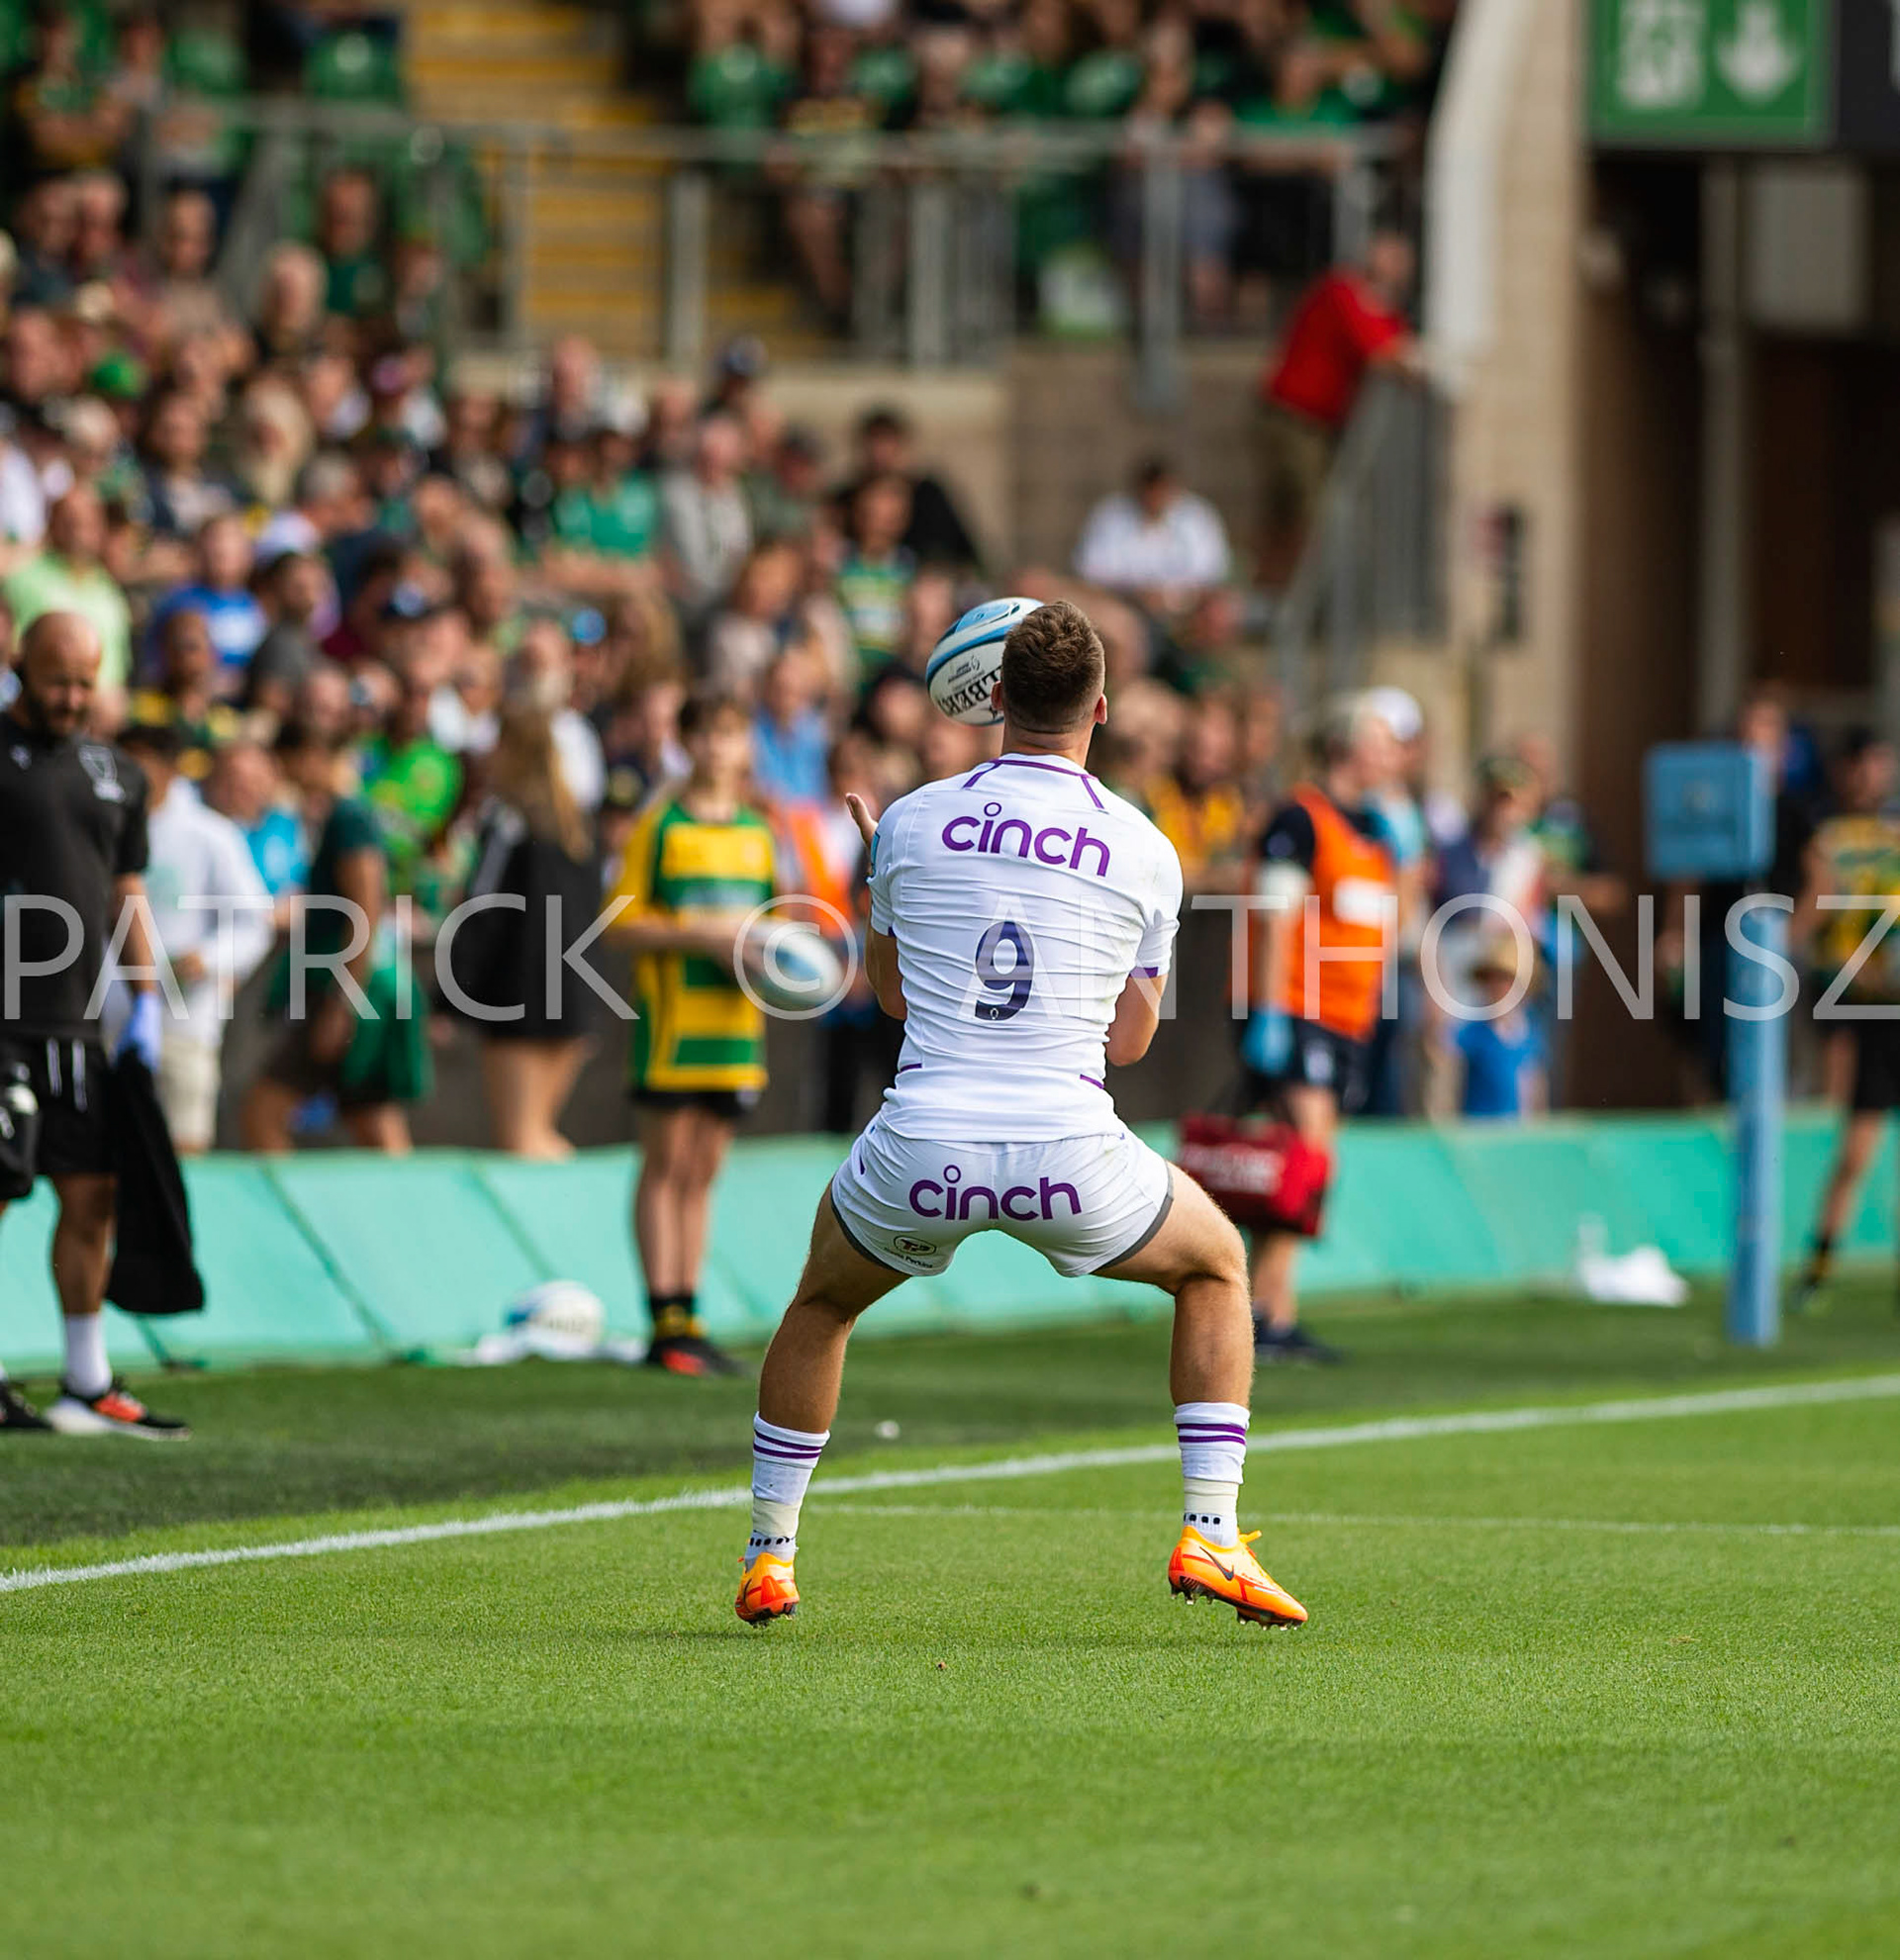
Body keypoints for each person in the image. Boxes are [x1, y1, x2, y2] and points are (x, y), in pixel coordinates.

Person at [730, 598, 1306, 1633]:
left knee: (822, 1304)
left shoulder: (906, 820)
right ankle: (1211, 1531)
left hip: (924, 1142)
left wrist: (882, 880)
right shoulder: (1144, 846)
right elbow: (1128, 1045)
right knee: (1217, 1264)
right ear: (1101, 707)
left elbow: (896, 1002)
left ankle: (772, 1553)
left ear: (991, 693)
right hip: (1069, 1151)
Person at [0, 612, 187, 1437]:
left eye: (85, 681)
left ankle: (86, 1377)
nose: (71, 697)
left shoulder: (119, 774)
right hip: (0, 1022)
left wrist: (146, 999)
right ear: (19, 666)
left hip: (79, 1025)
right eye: (56, 680)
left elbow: (127, 892)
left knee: (93, 1196)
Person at [609, 692, 778, 1376]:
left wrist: (780, 955)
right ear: (685, 744)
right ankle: (663, 1317)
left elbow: (776, 917)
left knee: (704, 1169)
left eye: (730, 733)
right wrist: (700, 935)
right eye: (704, 734)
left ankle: (692, 1312)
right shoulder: (660, 827)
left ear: (746, 747)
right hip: (673, 1022)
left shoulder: (760, 832)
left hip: (737, 1025)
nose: (716, 748)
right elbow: (618, 921)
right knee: (665, 1161)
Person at [1241, 694, 1401, 1363]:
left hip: (1346, 1017)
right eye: (1383, 742)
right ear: (1347, 747)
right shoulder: (1299, 819)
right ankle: (1256, 1310)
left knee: (1306, 1166)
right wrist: (1269, 1009)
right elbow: (1275, 915)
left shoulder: (1379, 830)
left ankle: (1275, 1306)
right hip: (1297, 1007)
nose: (1394, 755)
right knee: (1305, 1157)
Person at [242, 720, 419, 1154]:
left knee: (263, 1111)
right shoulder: (342, 816)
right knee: (372, 1122)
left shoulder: (350, 817)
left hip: (354, 991)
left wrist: (345, 1000)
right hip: (355, 989)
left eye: (288, 765)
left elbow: (365, 908)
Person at [445, 706, 602, 1159]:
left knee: (521, 1142)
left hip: (520, 1003)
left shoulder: (508, 822)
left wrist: (451, 994)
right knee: (538, 1134)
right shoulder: (577, 826)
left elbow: (482, 912)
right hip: (575, 1000)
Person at [116, 715, 272, 1154]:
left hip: (183, 1026)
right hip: (106, 1023)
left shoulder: (210, 836)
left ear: (169, 769)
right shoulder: (99, 828)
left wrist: (207, 958)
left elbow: (252, 923)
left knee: (185, 1160)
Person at [1788, 731, 1900, 1312]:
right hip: (1870, 1007)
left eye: (1875, 763)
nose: (1866, 775)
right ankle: (1819, 1267)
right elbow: (1815, 905)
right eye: (1856, 764)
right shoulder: (1826, 834)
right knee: (1856, 1150)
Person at [1257, 229, 1418, 585]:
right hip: (1293, 418)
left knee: (1293, 515)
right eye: (1388, 255)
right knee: (1310, 513)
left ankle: (1283, 598)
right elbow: (1385, 353)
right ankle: (1297, 601)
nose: (1394, 264)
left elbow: (1399, 344)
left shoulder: (1381, 308)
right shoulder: (1341, 290)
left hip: (1315, 424)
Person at [1073, 457, 1232, 615]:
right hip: (1125, 606)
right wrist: (1138, 594)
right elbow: (1092, 572)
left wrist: (1173, 596)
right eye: (1151, 491)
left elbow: (1211, 571)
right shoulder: (1110, 515)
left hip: (1190, 607)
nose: (1156, 498)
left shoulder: (1197, 515)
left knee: (1220, 609)